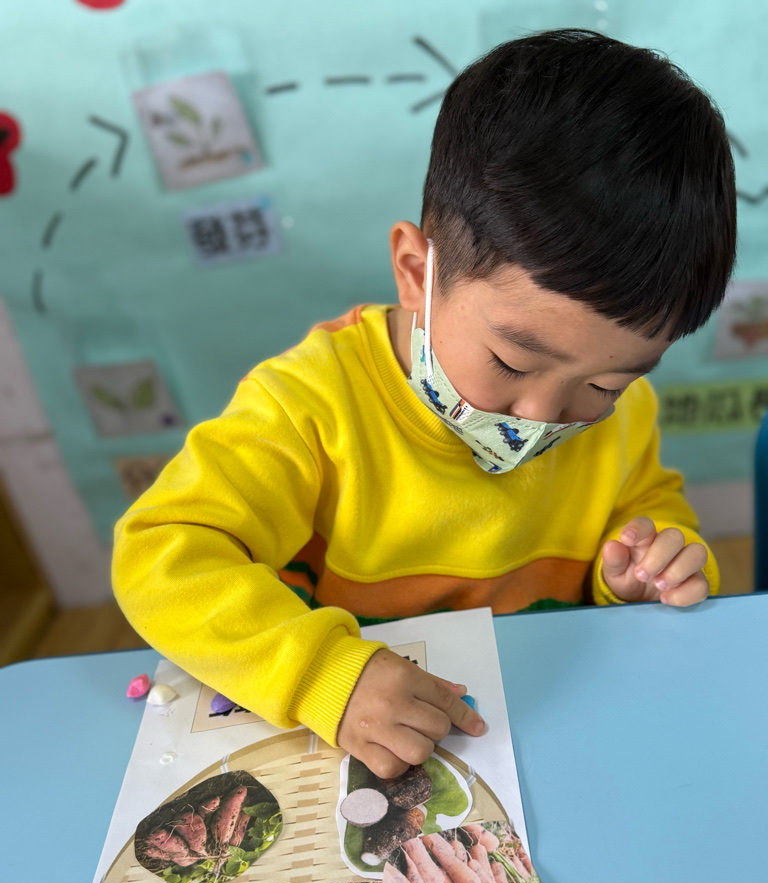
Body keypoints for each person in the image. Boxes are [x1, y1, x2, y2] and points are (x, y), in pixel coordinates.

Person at [113, 30, 736, 778]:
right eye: (511, 362)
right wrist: (322, 674)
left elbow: (646, 506)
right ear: (416, 272)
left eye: (604, 385)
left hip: (551, 726)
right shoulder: (311, 406)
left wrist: (644, 565)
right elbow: (161, 555)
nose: (541, 414)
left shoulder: (623, 412)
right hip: (358, 743)